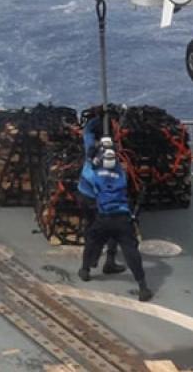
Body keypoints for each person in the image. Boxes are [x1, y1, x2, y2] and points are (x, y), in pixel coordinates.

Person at [76, 116, 152, 301]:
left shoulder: (92, 173)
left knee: (93, 239)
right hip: (122, 219)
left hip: (102, 215)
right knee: (131, 250)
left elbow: (91, 170)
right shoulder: (121, 175)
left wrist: (97, 121)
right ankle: (142, 286)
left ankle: (86, 270)